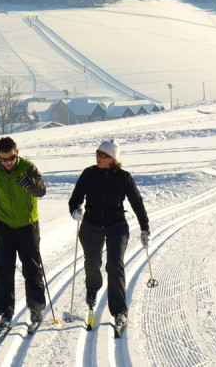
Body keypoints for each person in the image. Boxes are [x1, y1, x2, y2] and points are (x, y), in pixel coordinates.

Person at [68, 138, 150, 331]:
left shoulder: (124, 177)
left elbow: (137, 203)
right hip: (91, 224)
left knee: (115, 265)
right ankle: (92, 290)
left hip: (116, 226)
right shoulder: (89, 174)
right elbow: (76, 197)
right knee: (92, 262)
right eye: (97, 153)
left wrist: (145, 228)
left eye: (104, 155)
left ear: (113, 159)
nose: (99, 157)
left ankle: (119, 310)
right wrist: (74, 210)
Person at [0, 136, 47, 327]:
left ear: (17, 152)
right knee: (3, 270)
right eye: (3, 159)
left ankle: (35, 309)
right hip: (5, 227)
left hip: (28, 226)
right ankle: (5, 311)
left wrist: (31, 183)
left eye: (11, 158)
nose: (8, 163)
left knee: (32, 269)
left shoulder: (28, 167)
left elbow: (41, 190)